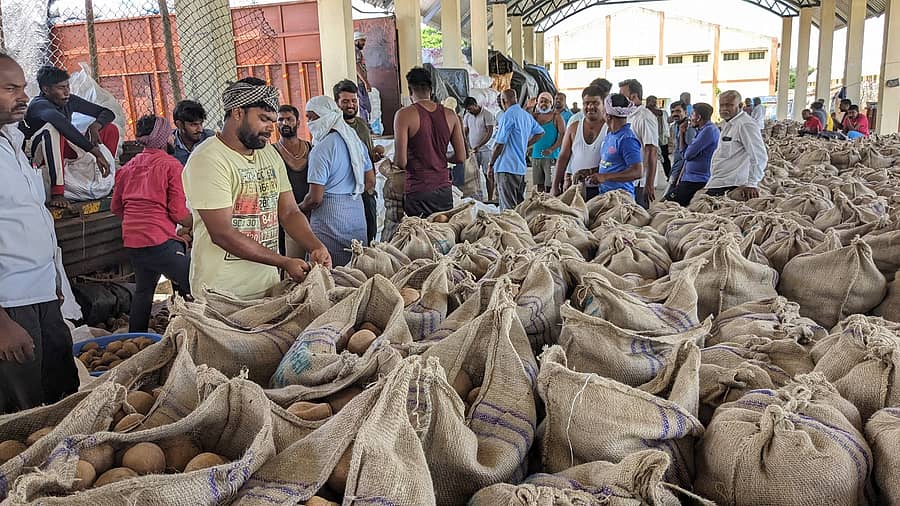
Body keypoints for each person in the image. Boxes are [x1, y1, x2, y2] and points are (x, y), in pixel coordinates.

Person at [182, 77, 331, 300]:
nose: (271, 128)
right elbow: (222, 233)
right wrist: (284, 261)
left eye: (272, 120)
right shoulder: (208, 159)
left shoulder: (268, 153)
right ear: (237, 113)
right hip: (222, 293)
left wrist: (315, 246)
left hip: (267, 285)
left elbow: (289, 212)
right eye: (263, 119)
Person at [0, 54, 78, 413]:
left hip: (42, 292)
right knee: (25, 413)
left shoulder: (13, 142)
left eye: (23, 87)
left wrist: (55, 280)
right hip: (10, 304)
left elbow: (32, 219)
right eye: (10, 88)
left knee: (63, 394)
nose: (23, 96)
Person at [111, 114, 192, 332]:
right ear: (164, 139)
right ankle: (195, 333)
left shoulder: (127, 168)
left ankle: (136, 339)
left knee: (144, 291)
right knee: (192, 282)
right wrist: (194, 223)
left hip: (133, 242)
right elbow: (178, 212)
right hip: (160, 242)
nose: (173, 140)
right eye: (170, 136)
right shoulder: (171, 165)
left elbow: (116, 208)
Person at [20, 65, 118, 208]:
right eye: (61, 88)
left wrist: (96, 125)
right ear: (46, 90)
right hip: (40, 155)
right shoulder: (39, 105)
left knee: (110, 129)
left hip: (61, 149)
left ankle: (105, 180)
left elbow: (108, 113)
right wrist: (95, 151)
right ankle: (57, 192)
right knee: (52, 129)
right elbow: (60, 123)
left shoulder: (69, 100)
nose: (67, 92)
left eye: (67, 86)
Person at [300, 96, 374, 266]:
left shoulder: (321, 149)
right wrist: (349, 192)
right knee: (356, 268)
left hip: (330, 217)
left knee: (331, 273)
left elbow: (315, 198)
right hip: (356, 212)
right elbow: (369, 181)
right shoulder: (355, 142)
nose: (309, 123)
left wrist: (299, 209)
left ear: (324, 116)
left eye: (312, 117)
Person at [334, 79, 379, 244]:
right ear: (336, 103)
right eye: (345, 101)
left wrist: (375, 156)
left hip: (367, 191)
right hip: (347, 195)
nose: (350, 105)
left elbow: (367, 156)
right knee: (350, 242)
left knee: (370, 236)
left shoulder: (361, 124)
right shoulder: (333, 130)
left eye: (353, 101)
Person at [706, 90, 767, 200]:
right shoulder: (729, 124)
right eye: (722, 105)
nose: (724, 109)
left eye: (729, 105)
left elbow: (759, 156)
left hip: (731, 184)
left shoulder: (745, 124)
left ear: (740, 106)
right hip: (720, 182)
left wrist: (752, 184)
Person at [489, 89, 544, 210]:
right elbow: (540, 132)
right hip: (519, 168)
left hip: (506, 167)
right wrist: (526, 144)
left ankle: (512, 228)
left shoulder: (507, 116)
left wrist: (491, 164)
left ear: (504, 101)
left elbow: (499, 144)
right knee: (518, 207)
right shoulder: (525, 115)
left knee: (508, 210)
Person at [552, 84, 608, 198]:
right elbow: (563, 157)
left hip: (604, 190)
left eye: (595, 103)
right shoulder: (573, 128)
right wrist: (555, 185)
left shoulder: (610, 129)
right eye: (586, 103)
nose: (590, 107)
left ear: (603, 104)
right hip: (577, 189)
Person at [583, 93, 643, 199]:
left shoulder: (627, 139)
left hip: (621, 200)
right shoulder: (610, 135)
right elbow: (610, 165)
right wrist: (590, 172)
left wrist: (605, 177)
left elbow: (637, 172)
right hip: (606, 197)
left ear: (608, 115)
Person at [273, 104, 312, 259]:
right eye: (280, 120)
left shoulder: (310, 148)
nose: (284, 123)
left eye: (289, 119)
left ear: (298, 122)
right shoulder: (272, 152)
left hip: (311, 212)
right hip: (285, 216)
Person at [619, 79, 659, 208]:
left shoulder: (644, 117)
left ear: (633, 96)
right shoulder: (629, 116)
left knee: (638, 219)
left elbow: (651, 150)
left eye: (622, 95)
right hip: (628, 179)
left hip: (640, 183)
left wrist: (649, 183)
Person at [669, 103, 718, 206]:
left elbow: (688, 155)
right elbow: (685, 154)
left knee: (667, 205)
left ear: (699, 117)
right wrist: (682, 133)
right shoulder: (701, 130)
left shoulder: (708, 130)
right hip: (688, 178)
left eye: (692, 115)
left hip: (696, 180)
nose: (690, 118)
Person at [529, 92, 565, 193]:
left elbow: (563, 135)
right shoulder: (534, 116)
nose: (543, 104)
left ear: (551, 103)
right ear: (537, 103)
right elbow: (524, 122)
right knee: (539, 186)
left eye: (546, 101)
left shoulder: (556, 116)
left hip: (551, 157)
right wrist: (529, 107)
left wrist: (552, 149)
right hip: (536, 156)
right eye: (541, 101)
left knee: (550, 186)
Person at [463, 96, 497, 201]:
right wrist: (466, 145)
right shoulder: (467, 116)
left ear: (475, 105)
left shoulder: (487, 114)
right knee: (473, 175)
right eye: (467, 109)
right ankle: (477, 198)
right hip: (473, 150)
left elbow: (489, 132)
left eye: (470, 108)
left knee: (488, 174)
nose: (469, 111)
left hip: (485, 149)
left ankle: (490, 198)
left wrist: (480, 145)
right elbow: (465, 131)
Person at [664, 100, 696, 198]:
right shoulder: (675, 126)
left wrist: (680, 173)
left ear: (685, 112)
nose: (675, 114)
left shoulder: (688, 127)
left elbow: (689, 152)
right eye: (673, 111)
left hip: (683, 168)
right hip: (676, 164)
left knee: (668, 198)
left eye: (678, 111)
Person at [172, 99, 213, 166]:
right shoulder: (169, 144)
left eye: (201, 124)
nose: (200, 129)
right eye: (194, 125)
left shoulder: (209, 138)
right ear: (179, 125)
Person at [646, 95, 670, 178]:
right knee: (651, 159)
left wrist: (650, 109)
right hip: (650, 139)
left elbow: (662, 114)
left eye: (655, 101)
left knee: (665, 159)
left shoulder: (661, 112)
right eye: (652, 101)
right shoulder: (644, 112)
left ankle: (669, 176)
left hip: (661, 139)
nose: (654, 103)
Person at [354, 31, 372, 123]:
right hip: (360, 83)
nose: (364, 43)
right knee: (363, 105)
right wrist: (366, 82)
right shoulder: (356, 52)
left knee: (364, 105)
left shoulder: (358, 52)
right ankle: (365, 125)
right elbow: (357, 67)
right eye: (362, 41)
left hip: (360, 83)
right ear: (356, 41)